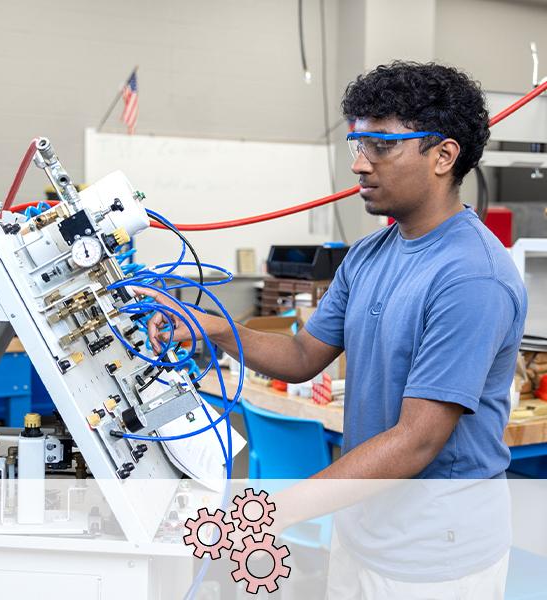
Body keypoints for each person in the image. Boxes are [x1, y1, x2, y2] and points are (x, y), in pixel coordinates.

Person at [139, 61, 527, 597]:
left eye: (382, 145)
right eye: (356, 145)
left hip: (435, 554)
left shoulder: (472, 277)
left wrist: (269, 512)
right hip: (361, 528)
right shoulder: (369, 255)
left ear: (443, 155)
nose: (360, 166)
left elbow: (417, 440)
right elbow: (302, 355)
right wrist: (212, 329)